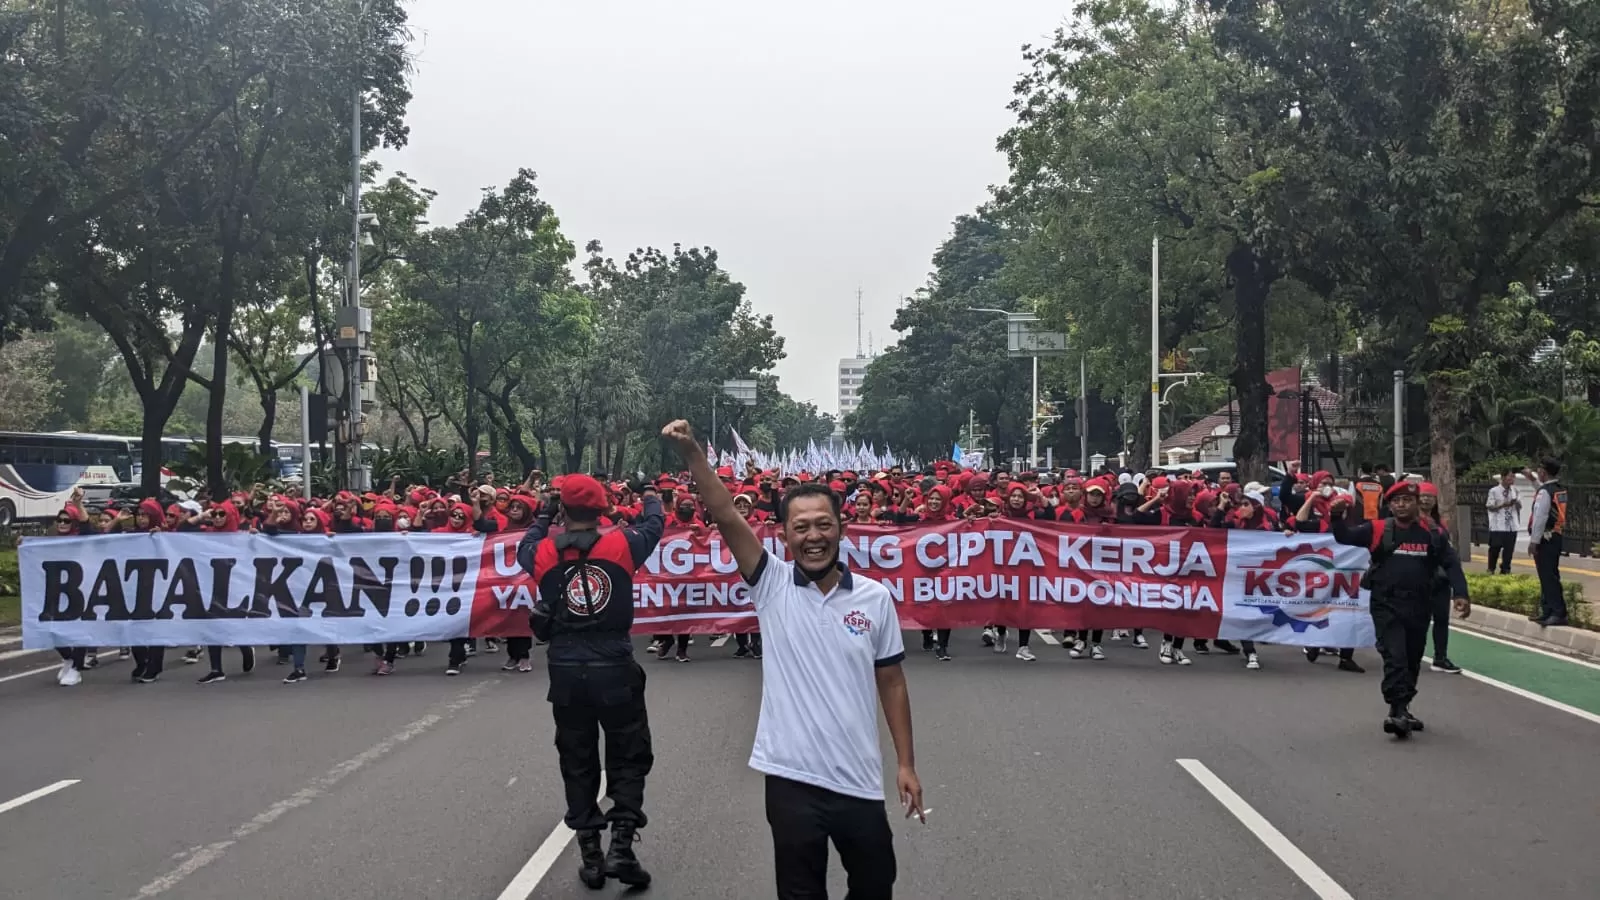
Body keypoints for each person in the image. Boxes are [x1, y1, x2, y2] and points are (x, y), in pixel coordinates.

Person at [662, 418, 923, 900]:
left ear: (842, 528)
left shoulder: (874, 598)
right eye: (801, 527)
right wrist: (693, 454)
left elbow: (892, 681)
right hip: (791, 781)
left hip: (859, 779)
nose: (814, 535)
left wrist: (906, 764)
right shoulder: (771, 584)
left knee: (875, 885)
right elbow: (723, 514)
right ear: (784, 536)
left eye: (824, 524)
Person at [520, 473, 664, 890]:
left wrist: (543, 512)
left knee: (577, 758)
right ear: (603, 510)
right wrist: (650, 493)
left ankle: (591, 854)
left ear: (562, 510)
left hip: (566, 669)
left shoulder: (543, 551)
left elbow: (525, 544)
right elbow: (655, 523)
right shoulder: (623, 543)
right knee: (629, 754)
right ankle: (622, 845)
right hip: (615, 664)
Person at [1330, 482, 1470, 738]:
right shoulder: (1378, 529)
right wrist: (1336, 516)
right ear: (1390, 505)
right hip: (1386, 605)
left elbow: (1451, 563)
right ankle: (1396, 710)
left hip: (1419, 605)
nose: (1401, 505)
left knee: (1413, 659)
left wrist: (1461, 593)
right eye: (1396, 501)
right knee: (1396, 657)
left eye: (1407, 500)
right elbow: (1344, 537)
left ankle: (1404, 707)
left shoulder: (1432, 533)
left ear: (1417, 503)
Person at [1527, 458, 1568, 627]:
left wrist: (1534, 541)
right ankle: (1548, 611)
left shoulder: (1546, 492)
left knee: (1548, 577)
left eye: (1539, 471)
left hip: (1545, 538)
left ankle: (1557, 613)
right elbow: (1543, 493)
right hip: (1556, 536)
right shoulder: (1558, 489)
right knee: (1549, 575)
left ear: (1544, 472)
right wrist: (1532, 479)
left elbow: (1540, 517)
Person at [1484, 469, 1521, 574]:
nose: (1512, 479)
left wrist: (1516, 502)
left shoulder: (1515, 490)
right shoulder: (1494, 491)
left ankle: (1506, 569)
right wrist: (1502, 505)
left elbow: (1520, 506)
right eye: (1510, 476)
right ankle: (1491, 568)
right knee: (1495, 547)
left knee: (1509, 550)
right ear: (1503, 477)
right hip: (1497, 524)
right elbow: (1489, 506)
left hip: (1511, 525)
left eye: (1513, 477)